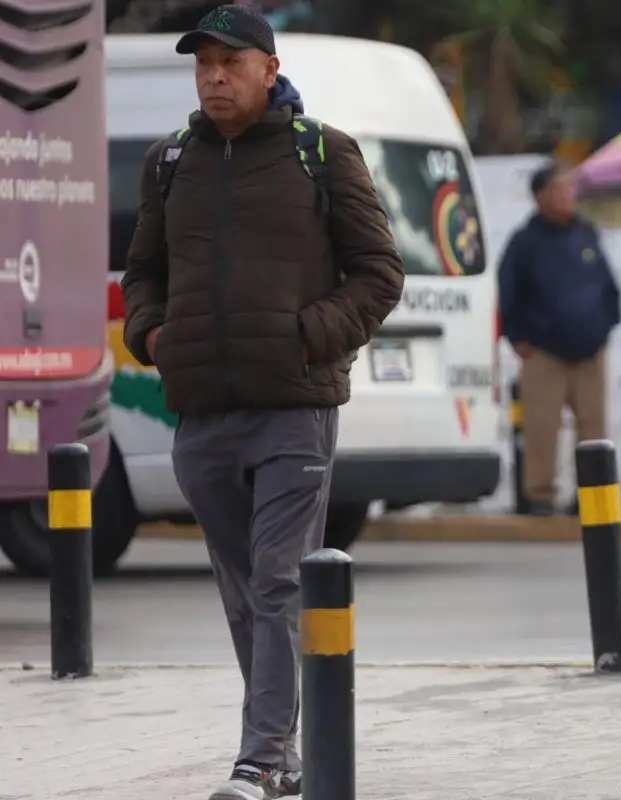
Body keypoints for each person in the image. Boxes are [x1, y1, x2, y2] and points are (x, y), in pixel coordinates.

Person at [120, 5, 405, 799]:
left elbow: (379, 271)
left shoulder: (322, 153)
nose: (214, 76)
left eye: (230, 62)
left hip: (294, 404)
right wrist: (152, 336)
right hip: (202, 406)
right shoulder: (170, 161)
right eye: (203, 64)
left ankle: (262, 753)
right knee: (244, 588)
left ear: (268, 71)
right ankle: (279, 747)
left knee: (279, 578)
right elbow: (142, 272)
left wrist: (312, 335)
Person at [498, 163, 621, 516]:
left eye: (570, 188)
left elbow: (607, 286)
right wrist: (518, 337)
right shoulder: (524, 242)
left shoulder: (586, 234)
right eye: (560, 188)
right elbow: (507, 293)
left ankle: (593, 497)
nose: (568, 195)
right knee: (542, 426)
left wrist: (607, 324)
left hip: (590, 353)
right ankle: (540, 496)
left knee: (594, 428)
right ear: (540, 196)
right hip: (543, 353)